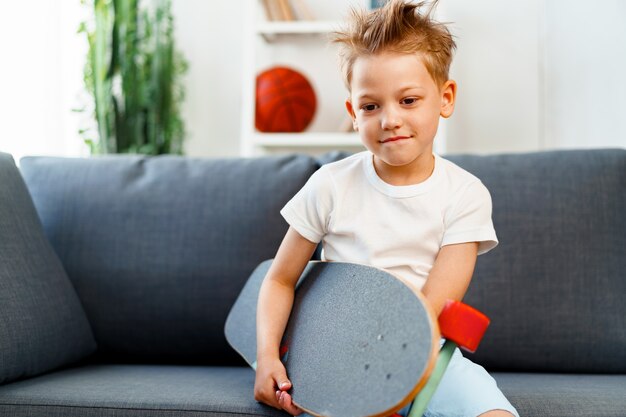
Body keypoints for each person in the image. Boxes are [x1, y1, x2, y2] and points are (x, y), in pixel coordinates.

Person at [253, 1, 519, 416]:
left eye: (408, 100)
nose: (389, 119)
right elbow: (280, 280)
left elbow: (430, 309)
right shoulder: (330, 185)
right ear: (353, 115)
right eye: (371, 106)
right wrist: (268, 357)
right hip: (339, 362)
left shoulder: (466, 194)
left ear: (445, 98)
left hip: (427, 354)